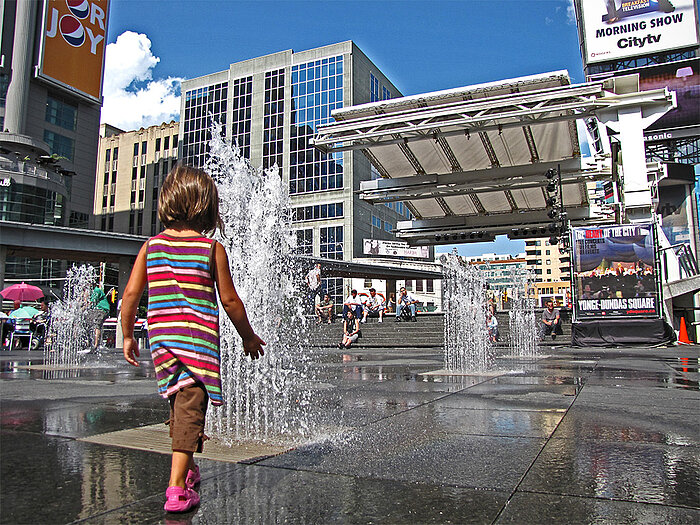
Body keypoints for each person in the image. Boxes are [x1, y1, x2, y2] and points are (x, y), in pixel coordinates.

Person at [120, 166, 266, 514]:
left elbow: (130, 295)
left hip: (160, 341)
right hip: (195, 343)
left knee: (180, 401)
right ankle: (176, 490)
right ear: (207, 207)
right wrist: (248, 336)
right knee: (191, 405)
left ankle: (187, 469)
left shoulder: (151, 246)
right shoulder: (210, 249)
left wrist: (127, 334)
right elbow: (230, 300)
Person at [87, 285, 111, 352]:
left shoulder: (96, 290)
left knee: (96, 325)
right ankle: (90, 344)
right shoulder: (91, 292)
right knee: (88, 324)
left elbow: (91, 302)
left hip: (102, 310)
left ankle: (95, 345)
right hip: (96, 310)